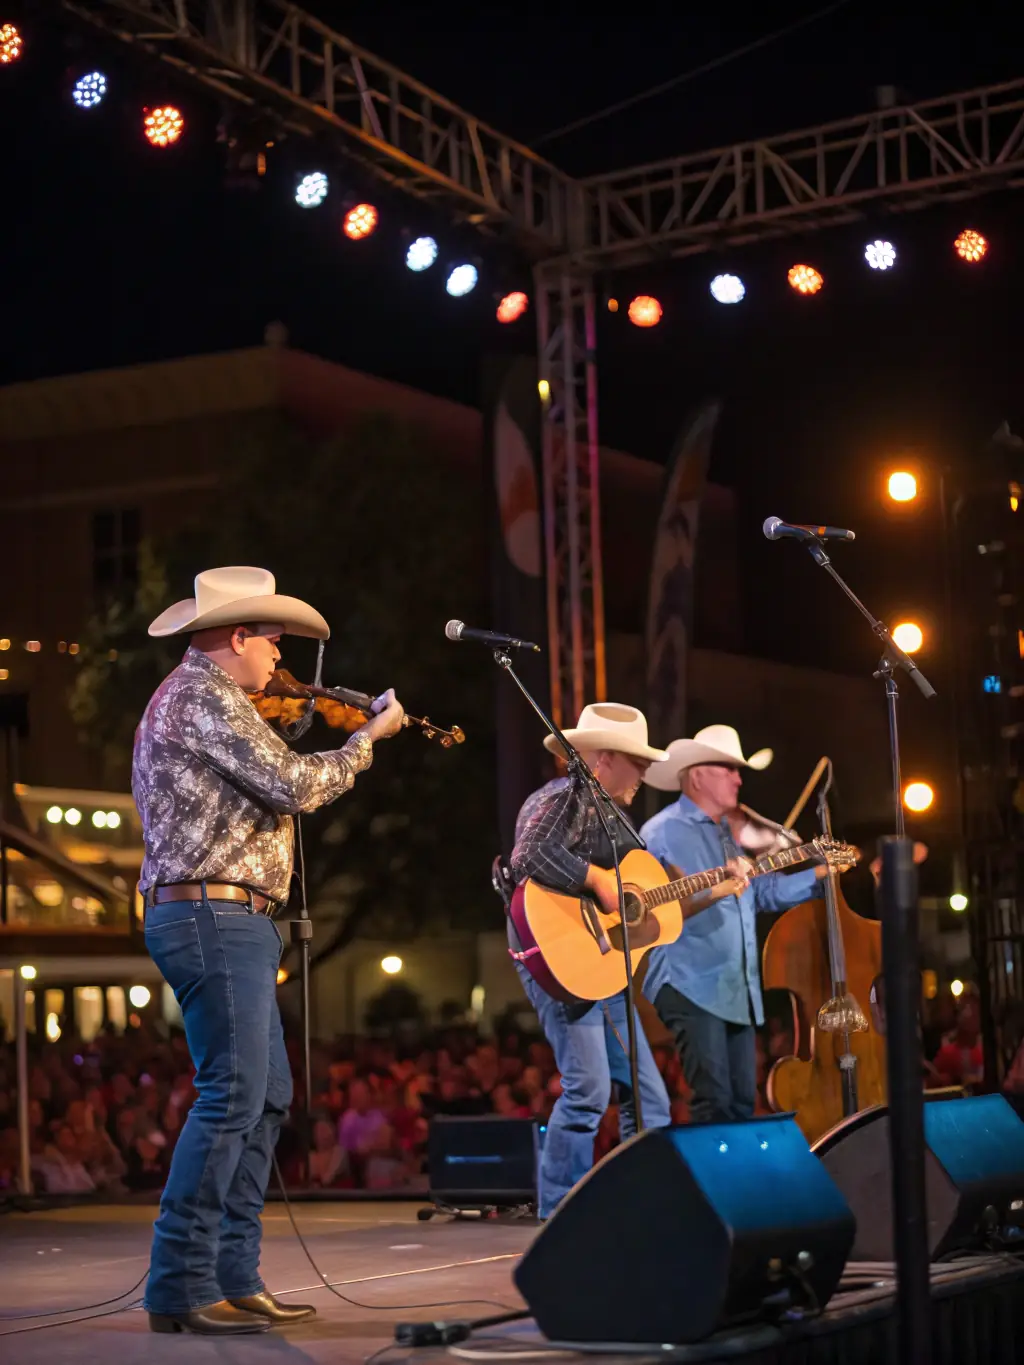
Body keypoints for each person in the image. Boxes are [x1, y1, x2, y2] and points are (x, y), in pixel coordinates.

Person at [134, 566, 405, 1335]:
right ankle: (180, 1285)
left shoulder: (213, 702)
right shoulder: (200, 696)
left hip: (229, 916)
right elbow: (291, 784)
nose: (279, 652)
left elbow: (265, 768)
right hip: (213, 914)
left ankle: (231, 1272)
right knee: (232, 1094)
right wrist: (363, 741)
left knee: (264, 1093)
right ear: (237, 635)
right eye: (271, 633)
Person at [508, 703, 750, 1217]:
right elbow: (527, 856)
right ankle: (561, 1211)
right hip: (561, 957)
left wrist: (714, 889)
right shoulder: (559, 798)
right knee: (589, 1091)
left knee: (652, 1102)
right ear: (604, 759)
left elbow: (647, 899)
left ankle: (638, 1202)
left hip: (606, 965)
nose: (644, 773)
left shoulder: (619, 819)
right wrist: (596, 880)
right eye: (636, 761)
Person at [642, 725, 835, 1125]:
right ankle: (711, 1188)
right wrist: (721, 883)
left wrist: (820, 876)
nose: (739, 778)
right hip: (690, 980)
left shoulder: (728, 836)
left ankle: (731, 1185)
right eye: (728, 768)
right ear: (697, 775)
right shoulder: (665, 830)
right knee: (714, 1101)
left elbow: (761, 893)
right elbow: (671, 902)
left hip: (733, 987)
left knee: (741, 1104)